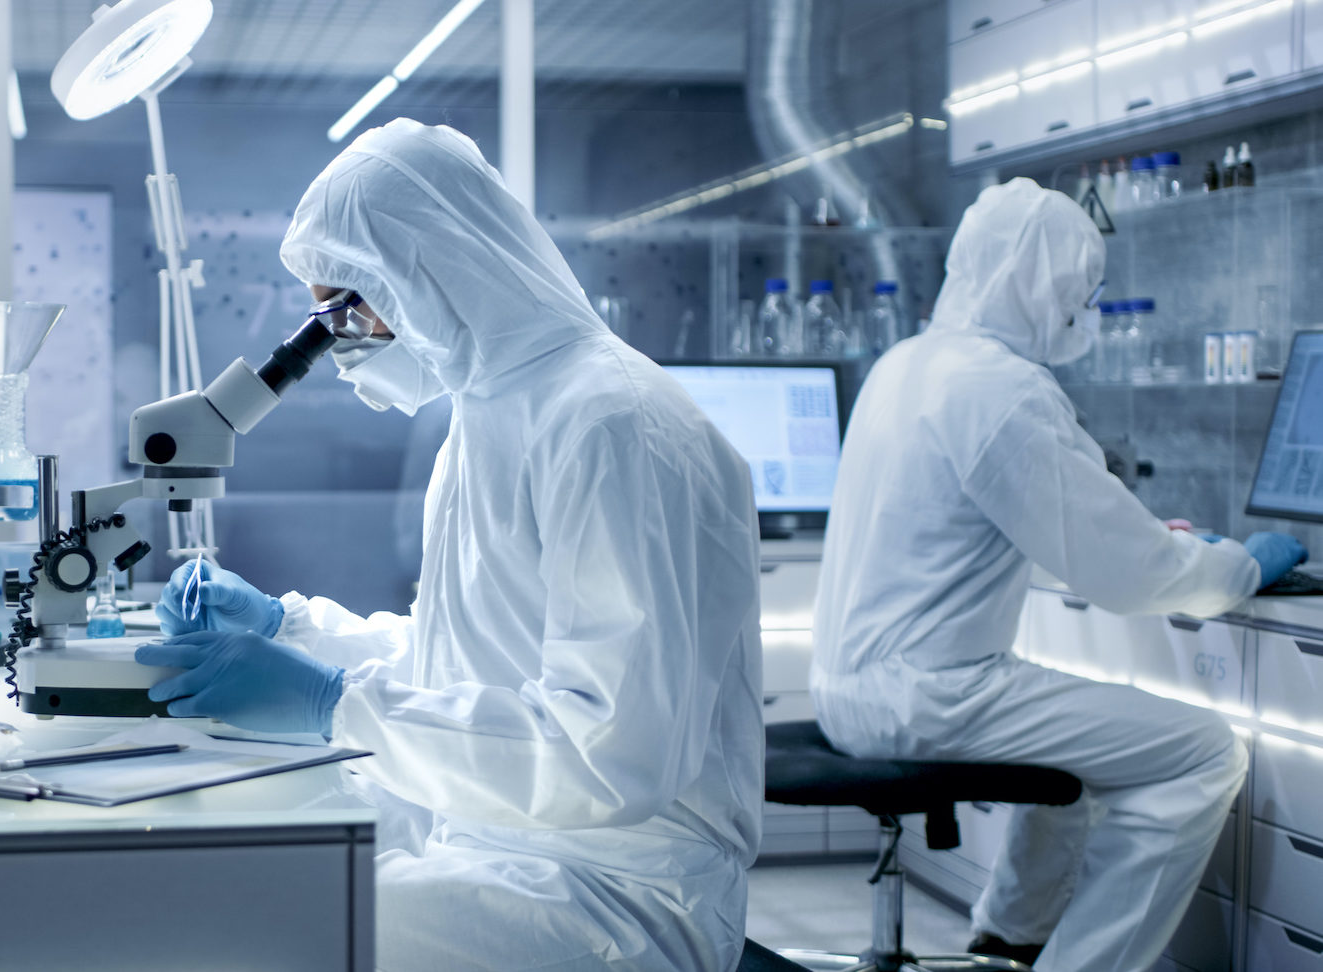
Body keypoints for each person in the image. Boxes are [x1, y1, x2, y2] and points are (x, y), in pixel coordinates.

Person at [134, 118, 764, 971]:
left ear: (431, 274)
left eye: (347, 311)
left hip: (617, 894)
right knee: (240, 848)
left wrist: (334, 702)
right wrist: (293, 631)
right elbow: (469, 660)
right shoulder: (490, 415)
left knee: (265, 920)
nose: (335, 345)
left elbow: (607, 754)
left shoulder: (612, 423)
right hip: (501, 837)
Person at [810, 177, 1308, 971]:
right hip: (926, 698)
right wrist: (1239, 566)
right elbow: (1132, 576)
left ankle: (1008, 937)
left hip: (851, 689)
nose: (1083, 308)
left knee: (1083, 741)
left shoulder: (907, 364)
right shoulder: (1001, 389)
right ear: (1038, 283)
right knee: (1204, 752)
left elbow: (982, 517)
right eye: (1078, 290)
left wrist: (1140, 535)